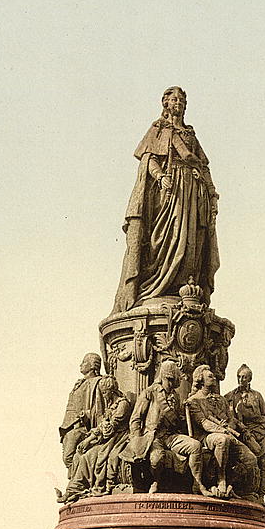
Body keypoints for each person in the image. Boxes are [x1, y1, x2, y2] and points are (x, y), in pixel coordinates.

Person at [112, 87, 220, 312]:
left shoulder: (189, 134)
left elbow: (204, 164)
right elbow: (149, 158)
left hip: (192, 191)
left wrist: (211, 192)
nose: (178, 102)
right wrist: (160, 177)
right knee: (164, 237)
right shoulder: (159, 129)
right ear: (165, 103)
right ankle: (155, 286)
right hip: (171, 189)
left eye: (182, 99)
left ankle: (183, 283)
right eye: (174, 99)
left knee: (191, 239)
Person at [126, 358, 211, 495]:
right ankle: (155, 481)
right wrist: (137, 440)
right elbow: (135, 419)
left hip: (171, 437)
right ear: (168, 377)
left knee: (195, 446)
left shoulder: (176, 397)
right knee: (157, 457)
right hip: (153, 437)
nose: (178, 381)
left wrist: (184, 412)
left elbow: (178, 421)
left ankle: (197, 484)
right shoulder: (149, 393)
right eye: (176, 378)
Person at [186, 364, 259, 499]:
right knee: (222, 440)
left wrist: (229, 426)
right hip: (205, 437)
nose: (213, 378)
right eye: (210, 376)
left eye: (213, 376)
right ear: (200, 379)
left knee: (251, 459)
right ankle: (221, 479)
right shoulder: (193, 401)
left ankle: (230, 484)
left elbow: (231, 419)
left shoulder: (221, 400)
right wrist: (222, 430)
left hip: (226, 433)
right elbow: (204, 423)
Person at [62, 376, 131, 502]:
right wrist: (87, 441)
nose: (103, 395)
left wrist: (92, 437)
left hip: (119, 438)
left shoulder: (123, 404)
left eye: (104, 392)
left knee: (100, 459)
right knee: (81, 456)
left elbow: (111, 427)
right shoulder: (110, 406)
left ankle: (99, 487)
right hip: (108, 439)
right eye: (102, 392)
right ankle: (74, 490)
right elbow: (102, 426)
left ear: (112, 390)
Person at [224, 363, 265, 499]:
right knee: (247, 461)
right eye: (239, 376)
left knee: (263, 464)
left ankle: (260, 496)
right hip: (244, 434)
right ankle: (242, 490)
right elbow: (228, 417)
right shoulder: (230, 396)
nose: (240, 379)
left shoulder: (257, 396)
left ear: (249, 379)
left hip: (261, 431)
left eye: (244, 377)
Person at [59, 353, 109, 474]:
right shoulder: (80, 383)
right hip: (69, 426)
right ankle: (77, 482)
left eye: (84, 362)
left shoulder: (97, 383)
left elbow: (99, 409)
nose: (81, 365)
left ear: (92, 366)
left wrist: (85, 416)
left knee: (69, 457)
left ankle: (79, 483)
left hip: (80, 427)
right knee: (69, 458)